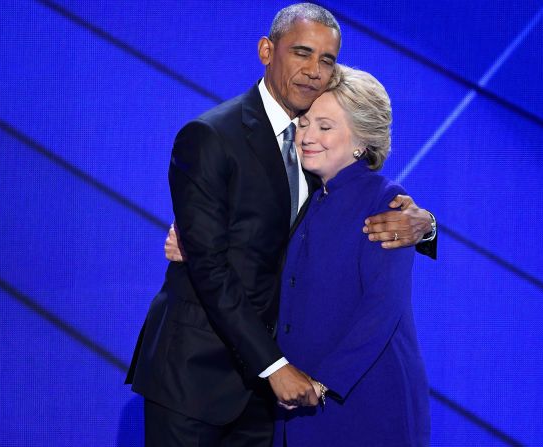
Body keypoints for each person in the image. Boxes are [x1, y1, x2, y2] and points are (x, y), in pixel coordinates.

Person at [128, 4, 436, 446]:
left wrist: (426, 225)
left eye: (326, 60)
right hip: (199, 377)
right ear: (266, 51)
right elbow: (211, 263)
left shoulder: (320, 161)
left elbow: (366, 216)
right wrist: (197, 248)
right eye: (302, 53)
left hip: (281, 395)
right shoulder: (212, 136)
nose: (314, 70)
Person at [273, 65, 430, 446]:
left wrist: (322, 383)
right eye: (305, 123)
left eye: (325, 127)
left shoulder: (386, 201)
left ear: (362, 141)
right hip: (299, 403)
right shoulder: (307, 193)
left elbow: (382, 307)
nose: (308, 136)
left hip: (363, 404)